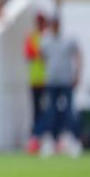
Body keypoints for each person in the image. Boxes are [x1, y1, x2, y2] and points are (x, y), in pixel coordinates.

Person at [35, 15, 83, 157]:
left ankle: (72, 139)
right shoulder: (45, 41)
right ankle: (50, 140)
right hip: (51, 81)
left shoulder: (68, 40)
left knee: (68, 111)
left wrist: (77, 75)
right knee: (50, 112)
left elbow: (78, 55)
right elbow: (41, 56)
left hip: (65, 80)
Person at [24, 13, 48, 153]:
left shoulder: (46, 36)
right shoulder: (33, 36)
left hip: (48, 79)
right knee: (37, 110)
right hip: (35, 78)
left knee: (46, 111)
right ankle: (36, 138)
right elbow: (31, 53)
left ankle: (43, 136)